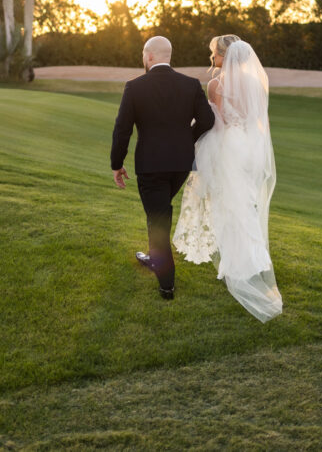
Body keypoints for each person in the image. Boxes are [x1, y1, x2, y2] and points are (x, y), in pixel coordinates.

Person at [174, 35, 283, 322]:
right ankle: (252, 260)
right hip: (248, 146)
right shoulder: (255, 82)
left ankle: (237, 266)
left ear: (226, 55)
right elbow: (257, 121)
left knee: (229, 204)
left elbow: (215, 123)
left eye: (215, 53)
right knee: (245, 203)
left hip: (228, 147)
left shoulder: (216, 85)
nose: (212, 57)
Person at [111, 36, 215, 300]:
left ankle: (166, 285)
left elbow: (122, 130)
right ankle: (154, 256)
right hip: (181, 165)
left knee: (157, 220)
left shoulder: (134, 87)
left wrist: (117, 163)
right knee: (159, 213)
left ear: (149, 56)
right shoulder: (190, 84)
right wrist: (186, 140)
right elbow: (207, 120)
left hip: (151, 165)